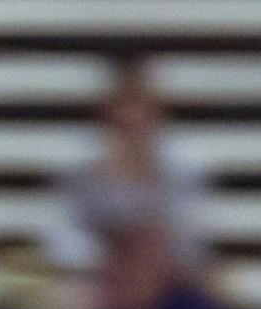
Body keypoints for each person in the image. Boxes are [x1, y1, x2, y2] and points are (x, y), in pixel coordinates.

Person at [54, 58, 210, 273]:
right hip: (102, 280)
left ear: (156, 116)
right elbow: (65, 239)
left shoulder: (182, 173)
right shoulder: (81, 173)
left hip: (165, 278)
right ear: (108, 117)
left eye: (140, 115)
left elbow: (191, 241)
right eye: (124, 122)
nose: (132, 122)